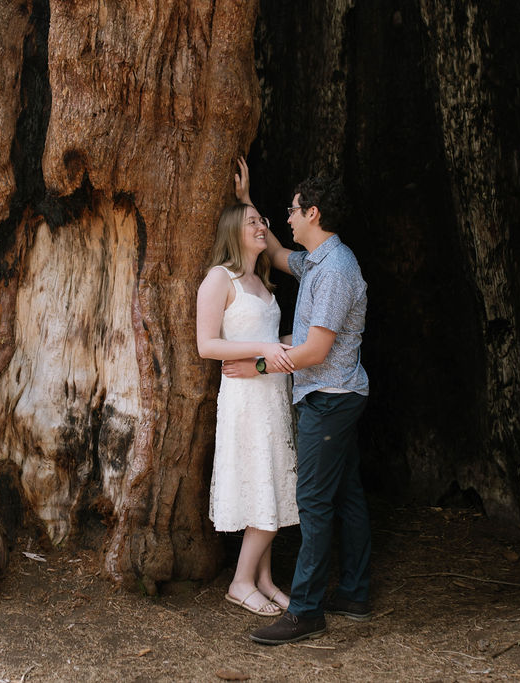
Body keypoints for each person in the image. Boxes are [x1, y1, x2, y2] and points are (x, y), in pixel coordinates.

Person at [223, 159, 372, 645]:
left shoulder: (336, 272)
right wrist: (247, 206)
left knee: (312, 502)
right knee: (346, 497)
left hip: (329, 399)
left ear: (313, 213)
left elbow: (313, 351)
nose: (285, 218)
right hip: (337, 395)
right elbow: (281, 253)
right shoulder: (319, 261)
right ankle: (353, 592)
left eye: (291, 210)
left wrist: (256, 366)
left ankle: (306, 610)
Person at [196, 194, 300, 618]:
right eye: (252, 222)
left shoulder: (261, 282)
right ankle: (240, 582)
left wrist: (302, 344)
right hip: (244, 400)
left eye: (264, 221)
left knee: (272, 485)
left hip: (272, 395)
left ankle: (263, 579)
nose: (262, 227)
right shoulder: (219, 279)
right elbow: (207, 345)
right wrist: (265, 347)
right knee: (264, 483)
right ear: (232, 234)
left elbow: (275, 346)